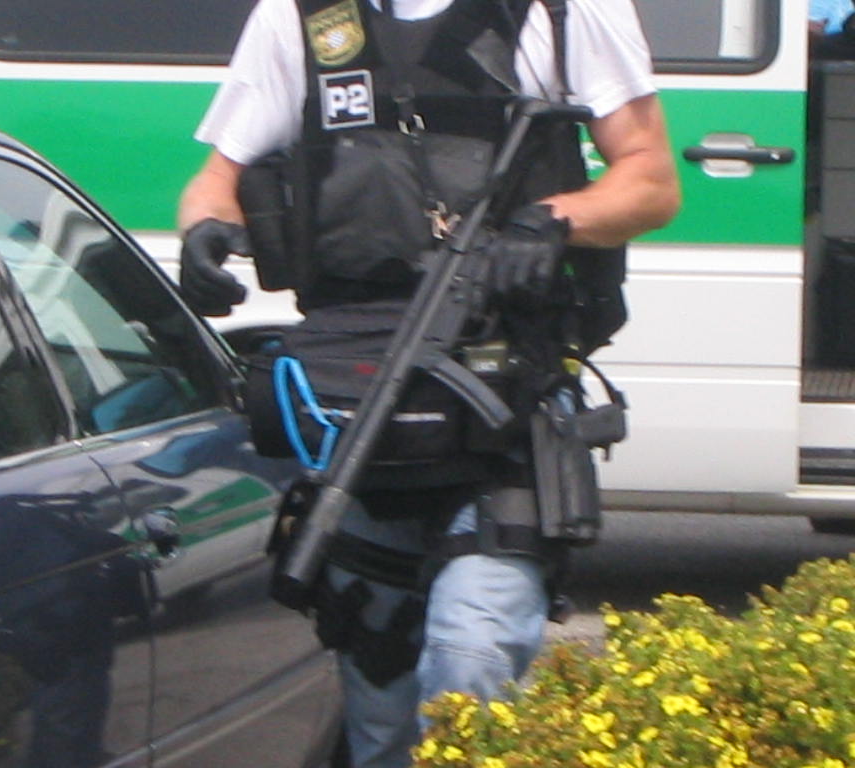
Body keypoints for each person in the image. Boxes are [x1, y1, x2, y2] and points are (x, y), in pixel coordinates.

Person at [177, 1, 680, 766]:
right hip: (361, 421)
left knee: (466, 662)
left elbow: (651, 179)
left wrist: (554, 220)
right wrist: (205, 231)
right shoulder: (302, 16)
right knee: (379, 717)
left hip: (503, 411)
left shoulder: (562, 10)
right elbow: (218, 179)